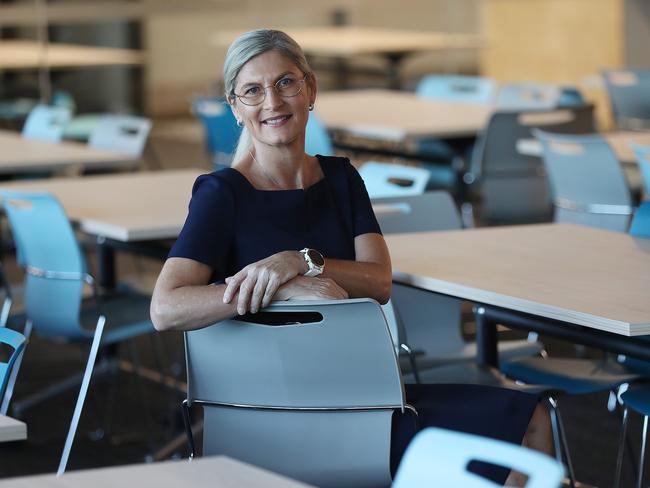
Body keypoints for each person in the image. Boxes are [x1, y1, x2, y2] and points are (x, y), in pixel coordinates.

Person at [151, 28, 552, 486]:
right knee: (517, 428)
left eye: (286, 82)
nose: (273, 102)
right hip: (276, 412)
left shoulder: (342, 179)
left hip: (364, 395)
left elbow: (379, 280)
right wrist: (279, 290)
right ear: (236, 108)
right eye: (253, 91)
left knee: (531, 417)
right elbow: (165, 308)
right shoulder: (221, 194)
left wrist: (299, 261)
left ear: (311, 89)